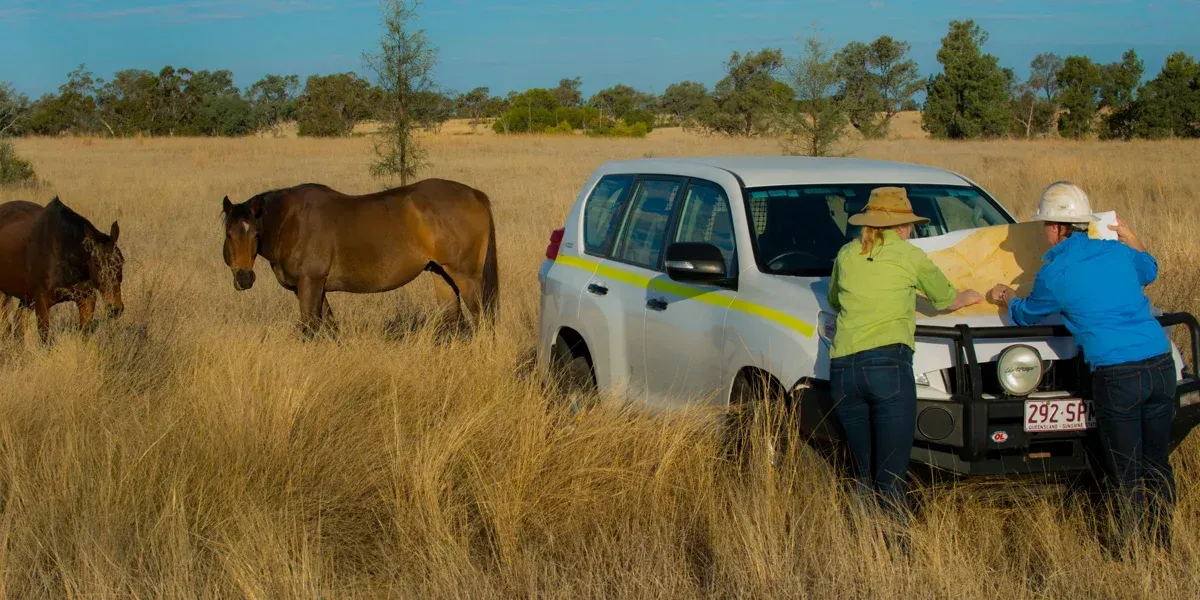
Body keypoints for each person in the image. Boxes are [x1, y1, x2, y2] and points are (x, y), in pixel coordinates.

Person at [988, 180, 1174, 552]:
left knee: (1125, 468)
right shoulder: (1117, 253)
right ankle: (1163, 542)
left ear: (1055, 228)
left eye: (1045, 225)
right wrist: (1130, 236)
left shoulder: (1055, 274)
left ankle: (1129, 549)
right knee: (1156, 461)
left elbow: (1025, 315)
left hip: (1117, 373)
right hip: (1160, 364)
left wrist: (1004, 296)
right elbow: (1149, 268)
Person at [828, 186, 983, 520]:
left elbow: (835, 300)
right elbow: (944, 298)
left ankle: (857, 545)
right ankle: (898, 555)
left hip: (843, 371)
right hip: (887, 367)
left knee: (862, 474)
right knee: (891, 477)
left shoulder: (845, 253)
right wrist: (967, 297)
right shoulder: (910, 255)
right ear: (902, 226)